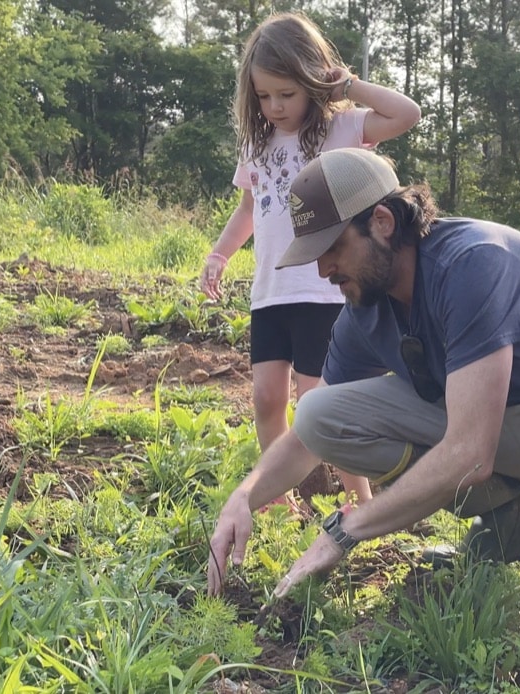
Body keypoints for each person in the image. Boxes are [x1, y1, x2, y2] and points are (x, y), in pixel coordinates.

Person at [207, 148, 520, 665]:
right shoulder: (366, 304)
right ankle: (510, 522)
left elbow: (472, 452)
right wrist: (244, 496)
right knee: (320, 413)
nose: (323, 269)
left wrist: (344, 531)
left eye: (332, 247)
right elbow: (309, 434)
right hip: (472, 420)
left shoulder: (473, 260)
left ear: (382, 222)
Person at [200, 13, 420, 509]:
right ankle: (277, 498)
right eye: (264, 96)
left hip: (326, 291)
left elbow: (407, 113)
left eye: (287, 93)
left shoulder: (342, 128)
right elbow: (249, 209)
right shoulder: (257, 144)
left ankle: (360, 498)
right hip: (270, 292)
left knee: (321, 398)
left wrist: (348, 84)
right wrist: (219, 253)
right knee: (266, 398)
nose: (275, 106)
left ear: (312, 82)